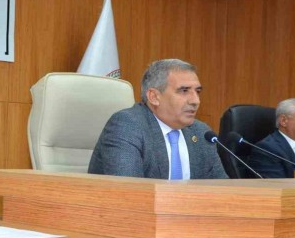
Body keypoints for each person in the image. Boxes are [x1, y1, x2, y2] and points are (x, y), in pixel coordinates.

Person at [88, 59, 227, 180]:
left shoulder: (201, 133)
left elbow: (222, 189)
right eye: (184, 91)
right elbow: (129, 191)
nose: (195, 101)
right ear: (154, 97)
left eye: (197, 91)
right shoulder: (128, 126)